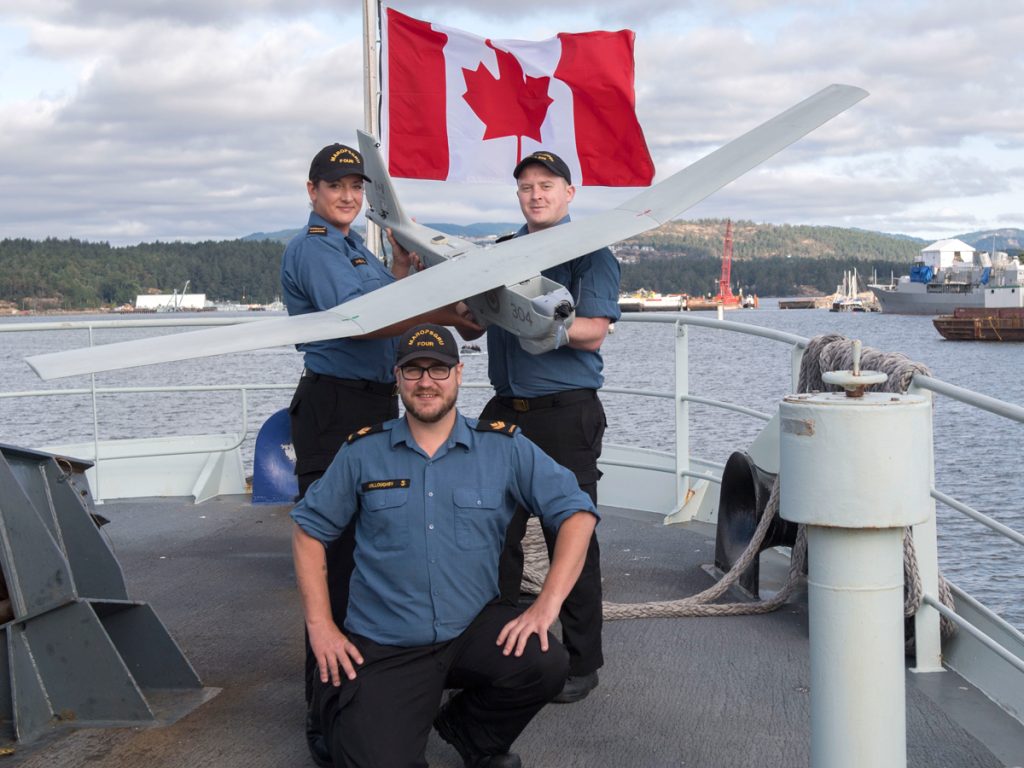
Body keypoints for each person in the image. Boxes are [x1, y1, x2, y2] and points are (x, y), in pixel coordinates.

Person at [291, 323, 599, 768]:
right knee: (368, 759)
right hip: (387, 642)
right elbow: (308, 531)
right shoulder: (362, 453)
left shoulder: (503, 447)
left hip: (471, 628)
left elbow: (577, 513)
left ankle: (471, 733)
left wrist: (546, 607)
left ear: (458, 374)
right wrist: (321, 627)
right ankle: (351, 720)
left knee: (545, 661)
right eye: (413, 371)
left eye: (437, 370)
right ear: (397, 379)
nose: (426, 383)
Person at [281, 142, 480, 764]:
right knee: (337, 562)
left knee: (367, 556)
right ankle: (325, 716)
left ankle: (369, 693)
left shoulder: (352, 247)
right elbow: (361, 322)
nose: (347, 195)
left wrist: (401, 271)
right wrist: (449, 309)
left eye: (354, 187)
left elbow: (381, 299)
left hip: (369, 404)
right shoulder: (313, 247)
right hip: (335, 407)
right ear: (311, 191)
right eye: (334, 186)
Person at [476, 150, 621, 704]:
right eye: (526, 186)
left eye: (546, 185)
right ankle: (497, 647)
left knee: (571, 535)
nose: (535, 194)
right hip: (503, 409)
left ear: (569, 193)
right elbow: (472, 329)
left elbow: (593, 331)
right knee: (491, 533)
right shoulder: (501, 255)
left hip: (564, 412)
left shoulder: (591, 254)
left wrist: (545, 329)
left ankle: (582, 664)